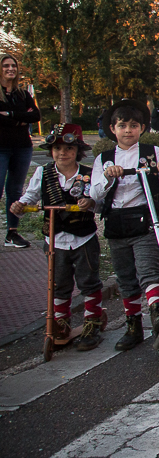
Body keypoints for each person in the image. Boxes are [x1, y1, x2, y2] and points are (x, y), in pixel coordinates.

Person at [90, 99, 159, 351]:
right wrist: (108, 178)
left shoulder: (151, 152)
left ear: (142, 128)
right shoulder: (104, 159)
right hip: (116, 223)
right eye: (122, 125)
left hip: (146, 220)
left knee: (148, 269)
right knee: (125, 274)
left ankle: (158, 315)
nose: (128, 130)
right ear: (112, 129)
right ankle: (133, 325)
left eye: (133, 125)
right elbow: (95, 193)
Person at [11, 124, 105, 351]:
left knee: (88, 280)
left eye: (69, 148)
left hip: (83, 237)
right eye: (58, 148)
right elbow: (31, 195)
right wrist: (21, 205)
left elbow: (100, 202)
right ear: (51, 151)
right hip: (54, 239)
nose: (63, 153)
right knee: (58, 282)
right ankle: (61, 322)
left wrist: (90, 203)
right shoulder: (43, 173)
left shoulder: (89, 173)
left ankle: (92, 321)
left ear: (78, 151)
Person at [0, 53, 41, 248]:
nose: (10, 69)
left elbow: (36, 116)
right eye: (6, 66)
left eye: (13, 66)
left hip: (22, 148)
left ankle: (12, 233)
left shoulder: (23, 94)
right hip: (1, 147)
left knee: (15, 191)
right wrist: (22, 118)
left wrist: (10, 114)